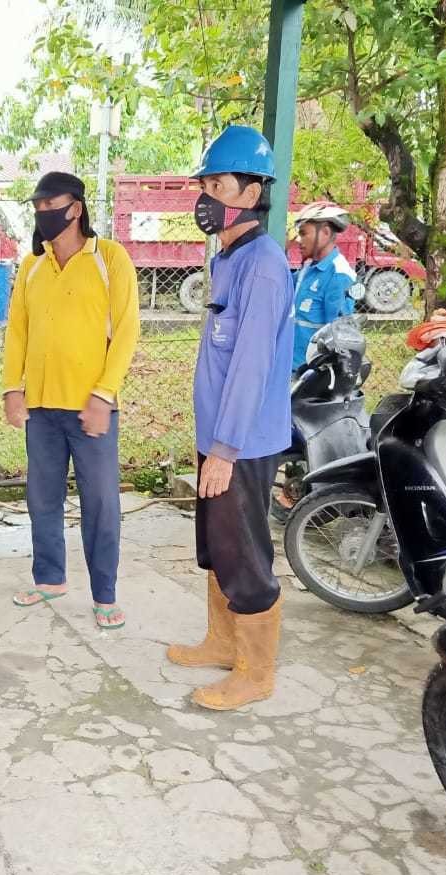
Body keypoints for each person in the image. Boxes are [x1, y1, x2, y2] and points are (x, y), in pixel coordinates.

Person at [166, 125, 294, 711]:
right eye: (206, 184)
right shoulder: (229, 257)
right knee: (217, 545)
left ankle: (255, 670)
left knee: (244, 553)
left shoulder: (262, 265)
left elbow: (250, 367)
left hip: (239, 443)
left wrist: (224, 450)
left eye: (219, 184)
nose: (207, 196)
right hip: (217, 436)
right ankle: (222, 642)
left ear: (250, 193)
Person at [2, 172, 140, 630]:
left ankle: (106, 593)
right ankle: (50, 578)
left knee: (100, 503)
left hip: (91, 407)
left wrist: (104, 394)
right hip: (41, 406)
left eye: (51, 205)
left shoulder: (110, 259)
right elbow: (17, 330)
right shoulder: (31, 266)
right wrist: (11, 388)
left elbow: (126, 331)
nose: (43, 214)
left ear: (76, 208)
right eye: (37, 207)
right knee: (41, 496)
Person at [290, 201, 356, 371]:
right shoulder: (308, 268)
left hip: (311, 376)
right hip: (289, 368)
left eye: (304, 233)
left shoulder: (338, 275)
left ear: (325, 233)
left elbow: (339, 335)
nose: (299, 240)